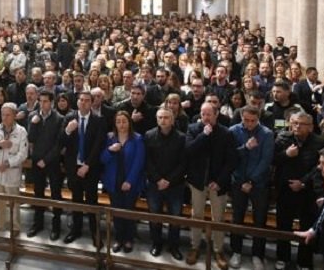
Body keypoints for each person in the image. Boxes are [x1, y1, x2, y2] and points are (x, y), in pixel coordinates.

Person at [185, 102, 237, 270]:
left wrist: (220, 181)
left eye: (208, 114)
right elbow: (189, 151)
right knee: (196, 215)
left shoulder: (226, 133)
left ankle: (218, 250)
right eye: (203, 114)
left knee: (218, 218)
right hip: (198, 181)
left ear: (216, 115)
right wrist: (203, 135)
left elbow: (231, 161)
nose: (205, 117)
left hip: (218, 183)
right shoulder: (193, 129)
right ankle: (194, 247)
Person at [274, 111, 324, 270]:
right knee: (283, 225)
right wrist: (286, 154)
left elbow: (319, 167)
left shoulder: (320, 142)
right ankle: (282, 258)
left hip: (308, 190)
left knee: (307, 226)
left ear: (310, 127)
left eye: (301, 124)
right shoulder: (282, 138)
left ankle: (304, 262)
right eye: (294, 123)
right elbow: (273, 160)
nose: (297, 126)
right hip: (285, 189)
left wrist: (303, 183)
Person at [227, 105, 274, 270]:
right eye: (246, 120)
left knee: (259, 220)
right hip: (238, 181)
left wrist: (251, 181)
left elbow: (266, 160)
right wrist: (245, 148)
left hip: (259, 183)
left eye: (253, 121)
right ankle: (236, 252)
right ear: (241, 117)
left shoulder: (267, 134)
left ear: (258, 119)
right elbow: (230, 156)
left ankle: (257, 255)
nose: (249, 124)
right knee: (237, 218)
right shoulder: (233, 131)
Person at [60, 91, 108, 245]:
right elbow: (61, 142)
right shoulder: (69, 118)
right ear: (77, 102)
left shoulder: (99, 120)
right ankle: (76, 229)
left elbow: (98, 145)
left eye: (87, 100)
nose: (84, 102)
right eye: (81, 100)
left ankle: (95, 232)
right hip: (73, 167)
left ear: (92, 103)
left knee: (92, 201)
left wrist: (87, 165)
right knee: (76, 200)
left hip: (91, 167)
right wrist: (68, 130)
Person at [144, 107, 186, 261]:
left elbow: (183, 163)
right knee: (155, 215)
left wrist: (169, 180)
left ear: (172, 120)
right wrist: (158, 179)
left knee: (175, 217)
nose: (163, 120)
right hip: (154, 184)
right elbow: (147, 160)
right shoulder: (149, 135)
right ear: (156, 119)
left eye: (166, 117)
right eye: (160, 117)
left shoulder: (181, 137)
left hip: (175, 184)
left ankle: (174, 245)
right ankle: (156, 243)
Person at [100, 110, 145, 253]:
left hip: (131, 181)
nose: (121, 124)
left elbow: (139, 162)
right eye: (118, 122)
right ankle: (119, 238)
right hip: (113, 181)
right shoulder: (110, 137)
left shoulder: (137, 139)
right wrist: (110, 150)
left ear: (129, 123)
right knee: (116, 211)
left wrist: (130, 181)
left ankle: (129, 239)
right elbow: (102, 159)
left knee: (129, 211)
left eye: (124, 121)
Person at [0, 102, 28, 234]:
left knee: (14, 202)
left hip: (11, 172)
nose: (4, 117)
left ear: (14, 115)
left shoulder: (21, 131)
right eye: (3, 114)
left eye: (8, 115)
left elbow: (23, 154)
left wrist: (8, 163)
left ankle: (15, 227)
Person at [26, 90, 65, 240]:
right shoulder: (33, 116)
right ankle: (38, 223)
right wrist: (34, 124)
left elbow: (59, 144)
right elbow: (30, 139)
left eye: (45, 101)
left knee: (55, 194)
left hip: (52, 162)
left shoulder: (59, 118)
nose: (42, 104)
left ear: (52, 103)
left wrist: (46, 160)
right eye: (40, 101)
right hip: (37, 161)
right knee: (38, 193)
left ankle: (56, 226)